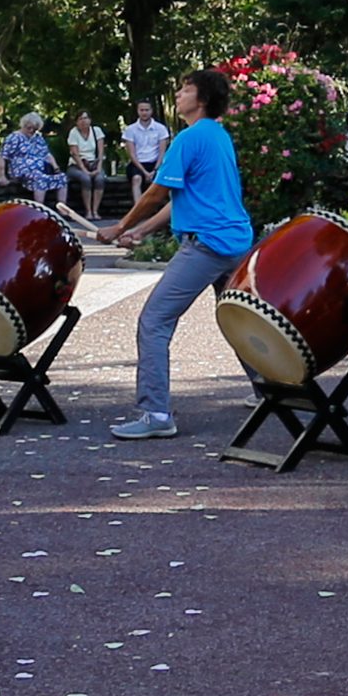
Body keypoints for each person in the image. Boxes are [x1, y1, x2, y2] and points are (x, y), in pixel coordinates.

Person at [97, 70, 255, 440]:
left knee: (153, 322)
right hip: (236, 242)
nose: (179, 94)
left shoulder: (188, 138)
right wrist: (141, 231)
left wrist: (118, 227)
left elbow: (155, 193)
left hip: (206, 245)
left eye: (185, 89)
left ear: (200, 100)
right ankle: (270, 390)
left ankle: (156, 414)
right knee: (240, 320)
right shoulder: (218, 136)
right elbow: (180, 198)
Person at [0, 113, 68, 206]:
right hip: (21, 171)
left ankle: (62, 208)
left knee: (62, 178)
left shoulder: (38, 138)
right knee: (39, 178)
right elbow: (2, 156)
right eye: (29, 128)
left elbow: (46, 154)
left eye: (34, 129)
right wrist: (2, 176)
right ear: (23, 125)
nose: (31, 131)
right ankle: (39, 209)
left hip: (39, 171)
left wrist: (56, 167)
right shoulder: (14, 137)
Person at [121, 100, 171, 205]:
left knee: (166, 180)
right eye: (142, 110)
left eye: (147, 110)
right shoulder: (131, 129)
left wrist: (155, 169)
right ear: (138, 111)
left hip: (155, 162)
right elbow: (131, 154)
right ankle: (138, 211)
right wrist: (144, 172)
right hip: (137, 164)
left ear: (151, 111)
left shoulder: (160, 128)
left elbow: (162, 152)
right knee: (136, 179)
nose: (144, 113)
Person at [65, 110, 107, 220]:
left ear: (90, 120)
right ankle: (88, 211)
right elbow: (75, 154)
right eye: (80, 119)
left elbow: (101, 151)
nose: (84, 121)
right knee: (86, 179)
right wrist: (85, 170)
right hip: (77, 165)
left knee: (100, 179)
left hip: (94, 163)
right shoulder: (73, 133)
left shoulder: (96, 131)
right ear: (76, 122)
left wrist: (98, 167)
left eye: (86, 118)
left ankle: (95, 210)